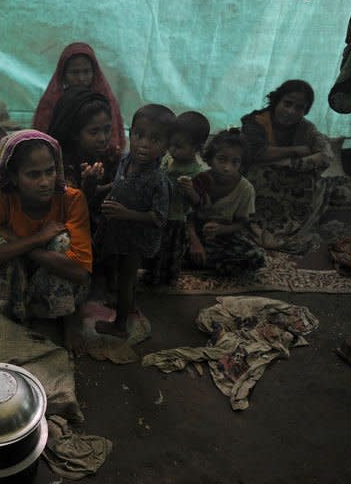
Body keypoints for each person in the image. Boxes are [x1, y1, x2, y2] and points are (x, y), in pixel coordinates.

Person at [0, 130, 91, 322]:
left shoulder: (72, 199)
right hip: (20, 282)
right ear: (14, 177)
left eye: (50, 171)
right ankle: (17, 309)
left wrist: (19, 242)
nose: (45, 182)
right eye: (33, 175)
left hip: (59, 285)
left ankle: (66, 320)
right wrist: (36, 239)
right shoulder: (1, 200)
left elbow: (80, 273)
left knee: (61, 242)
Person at [94, 105, 173, 339]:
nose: (144, 144)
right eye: (139, 135)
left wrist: (125, 212)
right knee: (117, 272)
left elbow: (159, 217)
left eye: (155, 139)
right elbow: (121, 183)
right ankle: (124, 303)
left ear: (166, 146)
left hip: (137, 238)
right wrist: (103, 189)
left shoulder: (158, 180)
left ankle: (120, 325)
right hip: (118, 231)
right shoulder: (126, 160)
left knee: (128, 279)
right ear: (130, 134)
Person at [240, 79, 333, 253]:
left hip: (292, 192)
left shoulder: (306, 128)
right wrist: (296, 150)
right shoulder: (256, 121)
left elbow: (326, 154)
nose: (291, 111)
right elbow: (256, 153)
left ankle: (288, 225)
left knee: (314, 182)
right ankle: (257, 225)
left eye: (299, 108)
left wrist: (292, 164)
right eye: (287, 103)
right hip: (257, 186)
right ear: (276, 101)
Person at [143, 111, 210, 285]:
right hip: (158, 215)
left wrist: (190, 191)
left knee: (170, 252)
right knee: (154, 248)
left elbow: (200, 204)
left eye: (179, 146)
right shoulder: (167, 161)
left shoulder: (198, 173)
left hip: (176, 220)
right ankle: (150, 275)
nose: (172, 150)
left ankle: (166, 280)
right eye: (171, 144)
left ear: (197, 148)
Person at [188, 129, 265, 276]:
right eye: (222, 159)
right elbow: (187, 216)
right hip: (193, 233)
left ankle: (200, 261)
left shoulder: (245, 189)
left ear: (242, 165)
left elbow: (243, 223)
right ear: (210, 159)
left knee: (255, 257)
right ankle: (200, 258)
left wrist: (223, 229)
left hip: (223, 237)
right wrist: (195, 242)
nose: (227, 167)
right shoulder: (199, 180)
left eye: (235, 162)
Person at [47, 87, 120, 230]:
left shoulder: (110, 155)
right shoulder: (60, 165)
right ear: (74, 133)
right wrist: (90, 186)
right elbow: (69, 212)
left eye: (107, 129)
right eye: (94, 132)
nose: (103, 138)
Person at [33, 42, 125, 151]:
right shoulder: (52, 103)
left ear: (94, 72)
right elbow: (41, 142)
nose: (81, 78)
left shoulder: (103, 101)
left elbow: (113, 141)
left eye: (86, 72)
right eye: (75, 72)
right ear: (63, 74)